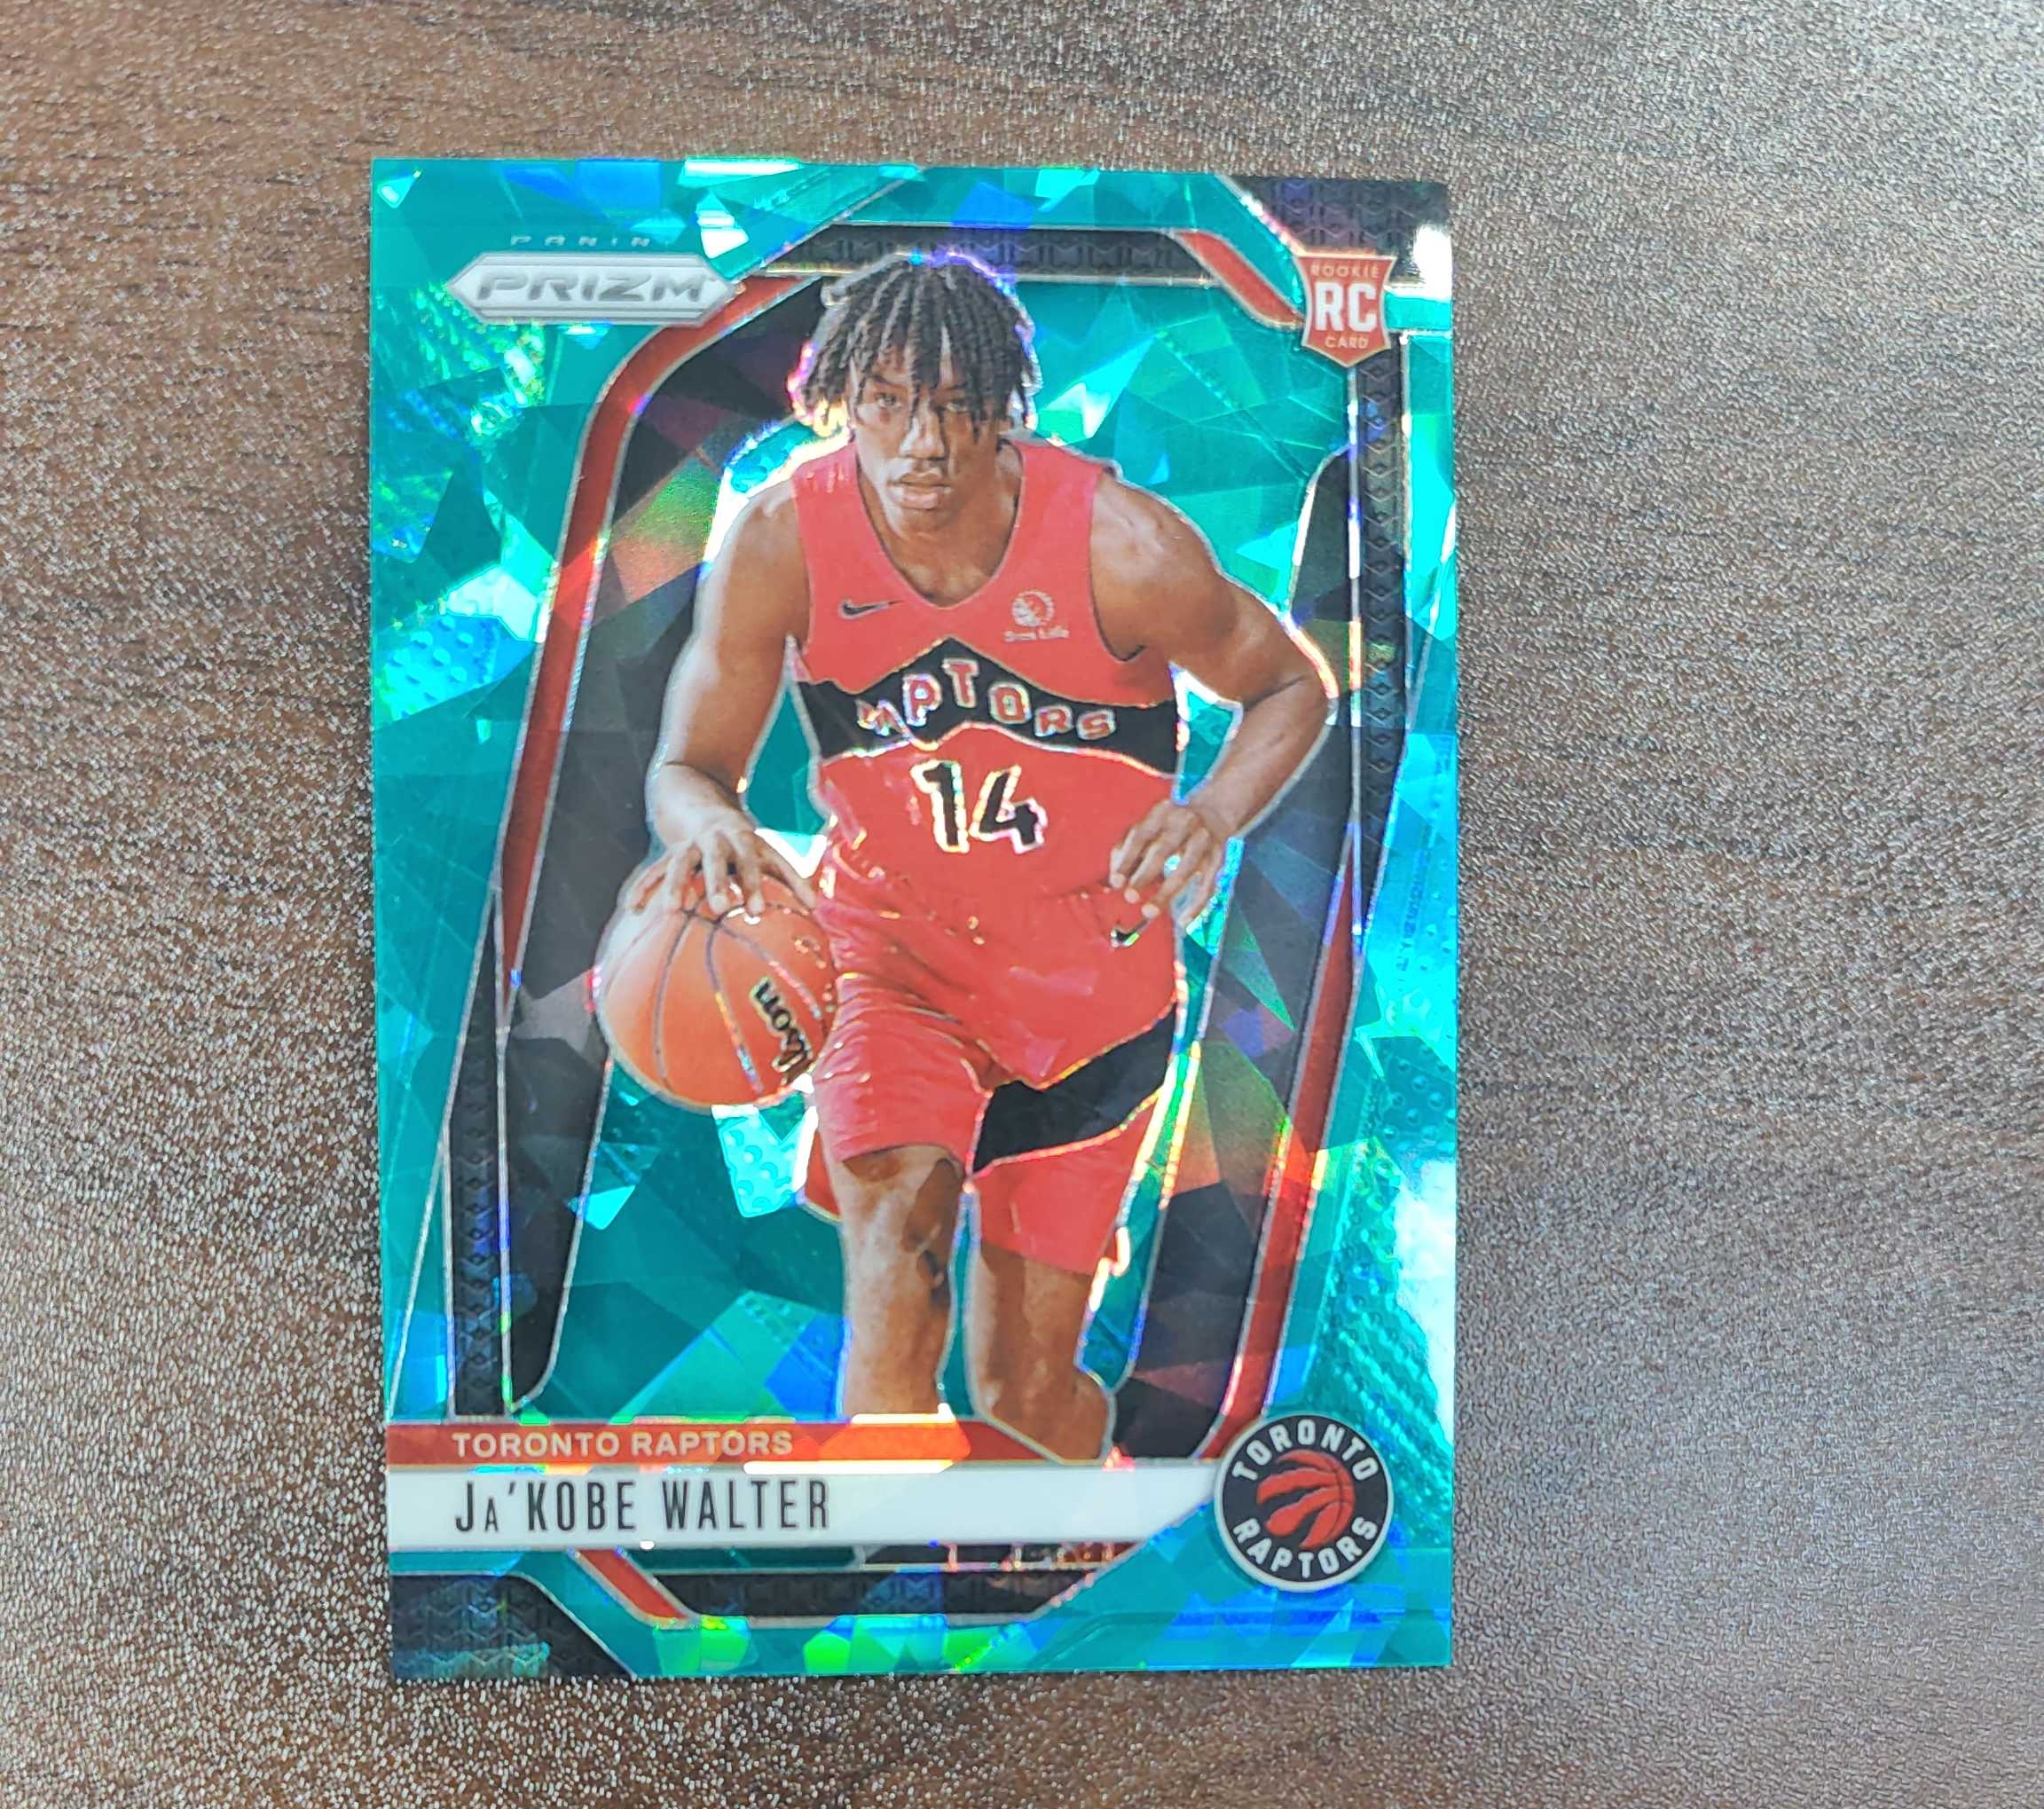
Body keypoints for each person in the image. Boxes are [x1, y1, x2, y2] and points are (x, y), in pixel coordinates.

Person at [647, 251, 1333, 1459]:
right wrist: (710, 823)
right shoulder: (783, 540)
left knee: (1022, 1392)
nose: (923, 444)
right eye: (888, 404)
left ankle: (1069, 1512)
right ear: (840, 400)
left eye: (957, 407)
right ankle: (897, 1551)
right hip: (891, 964)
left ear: (1005, 408)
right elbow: (687, 767)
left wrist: (1213, 813)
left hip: (1095, 999)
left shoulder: (1120, 544)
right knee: (895, 1240)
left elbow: (1290, 686)